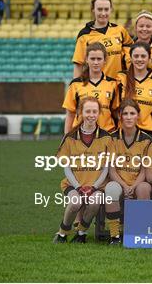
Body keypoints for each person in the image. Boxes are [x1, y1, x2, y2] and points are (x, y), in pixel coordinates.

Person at [52, 97, 111, 243]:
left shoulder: (106, 137)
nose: (91, 115)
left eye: (95, 111)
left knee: (95, 200)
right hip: (73, 183)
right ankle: (62, 233)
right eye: (88, 111)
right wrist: (78, 187)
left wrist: (94, 187)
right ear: (80, 113)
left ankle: (81, 233)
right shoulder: (70, 137)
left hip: (97, 185)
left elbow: (106, 168)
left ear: (99, 113)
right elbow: (67, 168)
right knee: (75, 202)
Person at [104, 99, 152, 244]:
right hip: (118, 181)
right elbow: (111, 170)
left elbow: (145, 170)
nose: (129, 117)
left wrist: (133, 186)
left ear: (138, 115)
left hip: (138, 181)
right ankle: (115, 236)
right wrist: (125, 187)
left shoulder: (147, 140)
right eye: (125, 113)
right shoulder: (111, 138)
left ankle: (141, 232)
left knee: (144, 188)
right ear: (120, 116)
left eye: (132, 113)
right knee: (111, 189)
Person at [73, 0, 133, 78]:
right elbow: (78, 64)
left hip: (119, 85)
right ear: (93, 10)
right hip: (97, 87)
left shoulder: (120, 30)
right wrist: (75, 87)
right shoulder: (84, 35)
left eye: (106, 9)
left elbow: (135, 50)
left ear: (111, 9)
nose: (103, 13)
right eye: (100, 9)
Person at [63, 42, 118, 134]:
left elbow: (116, 113)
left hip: (107, 135)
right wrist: (66, 138)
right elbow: (70, 114)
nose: (96, 62)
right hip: (81, 135)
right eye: (92, 59)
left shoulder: (113, 84)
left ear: (105, 60)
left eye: (99, 59)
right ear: (87, 60)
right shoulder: (75, 84)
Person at [117, 42, 152, 136]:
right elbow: (115, 106)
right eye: (136, 56)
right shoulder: (121, 77)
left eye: (143, 56)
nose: (139, 59)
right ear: (130, 57)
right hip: (125, 131)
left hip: (149, 132)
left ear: (149, 58)